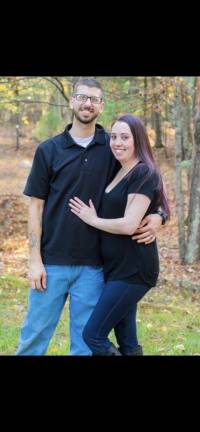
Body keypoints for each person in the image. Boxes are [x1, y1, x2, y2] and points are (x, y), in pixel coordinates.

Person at [16, 78, 167, 356]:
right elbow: (35, 206)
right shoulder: (48, 150)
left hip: (96, 267)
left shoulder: (113, 148)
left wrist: (159, 215)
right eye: (82, 97)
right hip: (52, 263)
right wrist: (34, 259)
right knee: (34, 337)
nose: (87, 103)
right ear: (72, 101)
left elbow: (147, 180)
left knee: (85, 346)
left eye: (94, 99)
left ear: (101, 106)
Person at [69, 114, 170, 355]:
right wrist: (161, 214)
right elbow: (156, 205)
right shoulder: (119, 170)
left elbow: (128, 225)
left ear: (139, 140)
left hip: (133, 270)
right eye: (114, 137)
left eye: (125, 137)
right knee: (127, 340)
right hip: (116, 268)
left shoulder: (143, 172)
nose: (117, 142)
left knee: (93, 335)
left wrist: (93, 219)